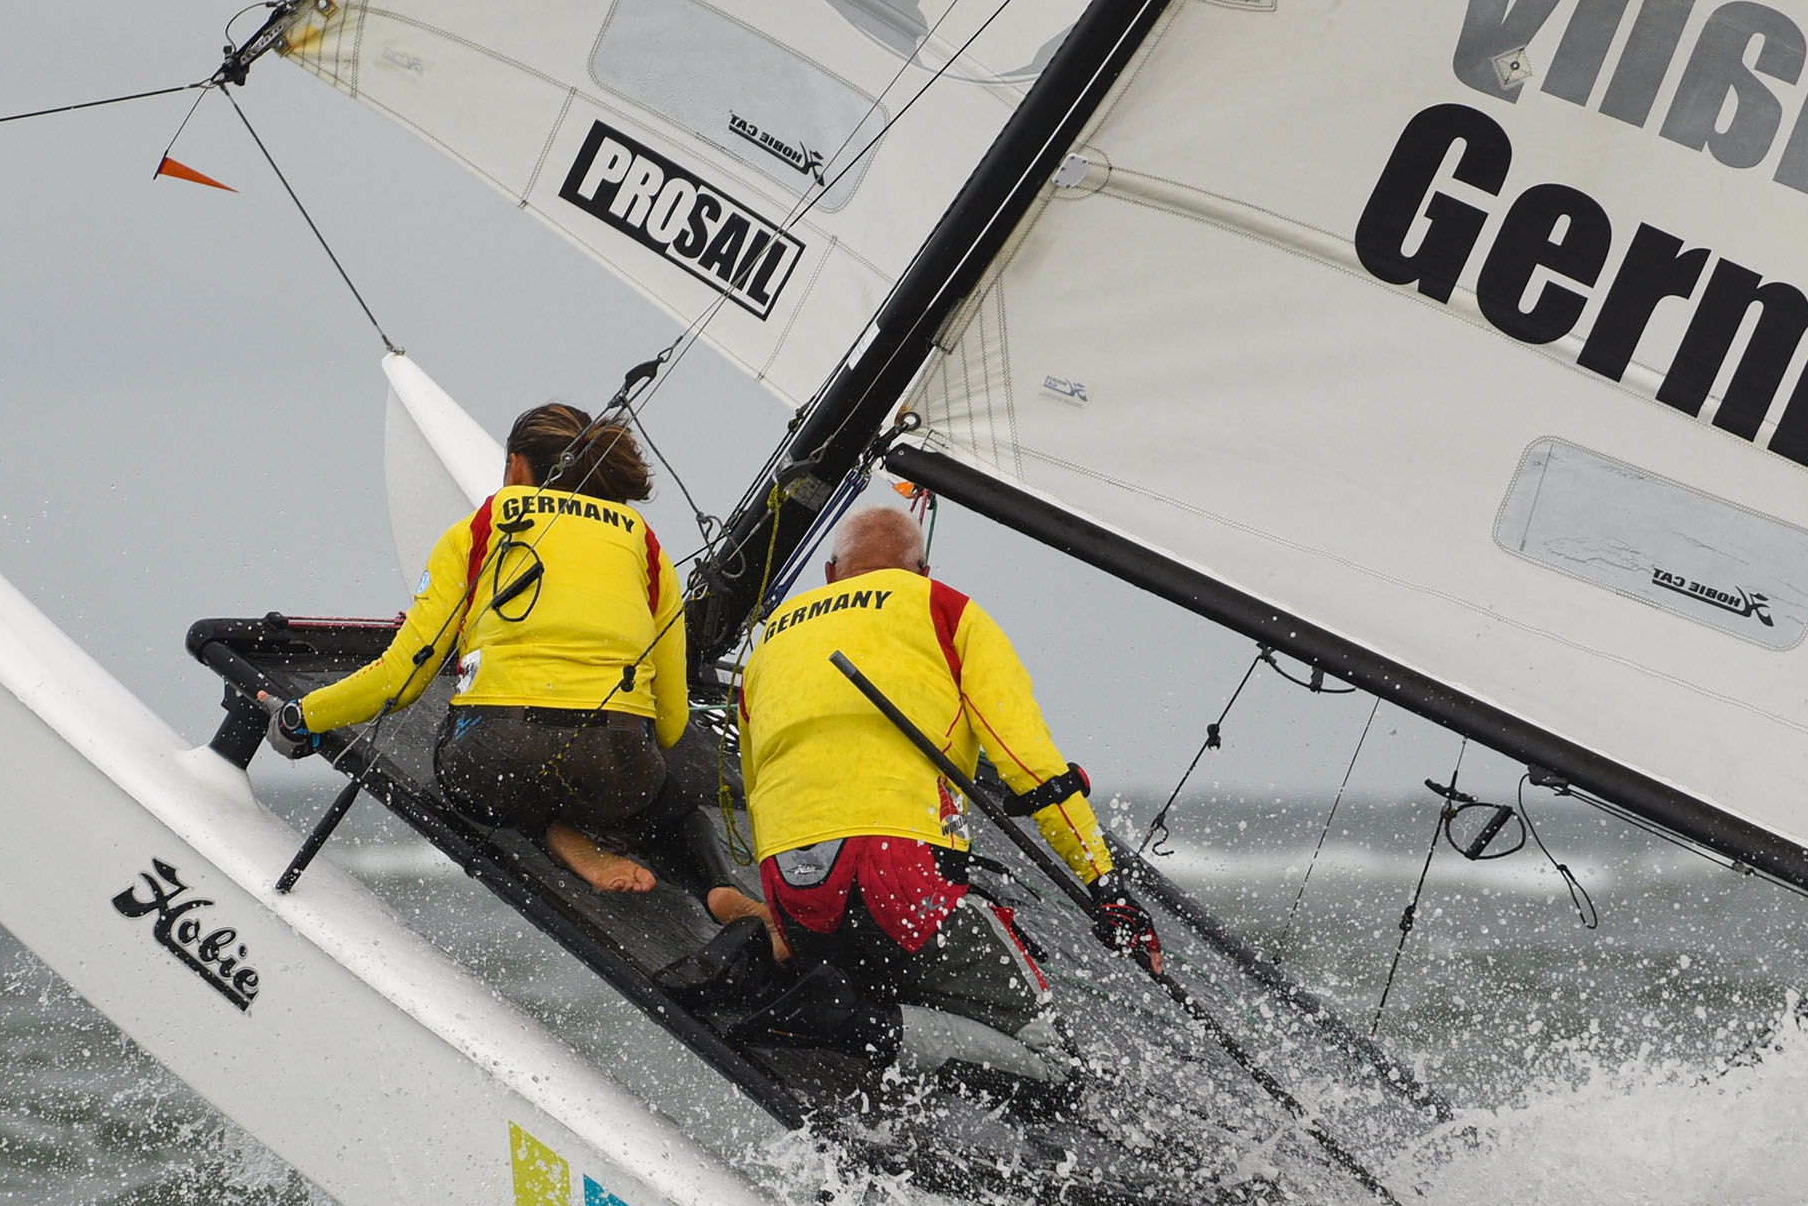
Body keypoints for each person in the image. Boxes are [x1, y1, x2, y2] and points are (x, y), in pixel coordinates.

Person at [725, 503, 1160, 1051]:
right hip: (897, 878)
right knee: (1050, 1060)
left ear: (831, 573)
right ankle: (849, 1021)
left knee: (872, 968)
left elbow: (753, 780)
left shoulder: (771, 638)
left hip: (792, 892)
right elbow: (1031, 768)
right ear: (922, 572)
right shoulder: (946, 609)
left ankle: (771, 964)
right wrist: (1105, 887)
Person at [265, 404, 692, 893]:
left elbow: (400, 679)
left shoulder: (478, 529)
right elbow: (672, 723)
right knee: (666, 801)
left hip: (496, 760)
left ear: (516, 466)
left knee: (480, 774)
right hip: (616, 769)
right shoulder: (648, 548)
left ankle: (551, 831)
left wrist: (300, 717)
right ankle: (720, 891)